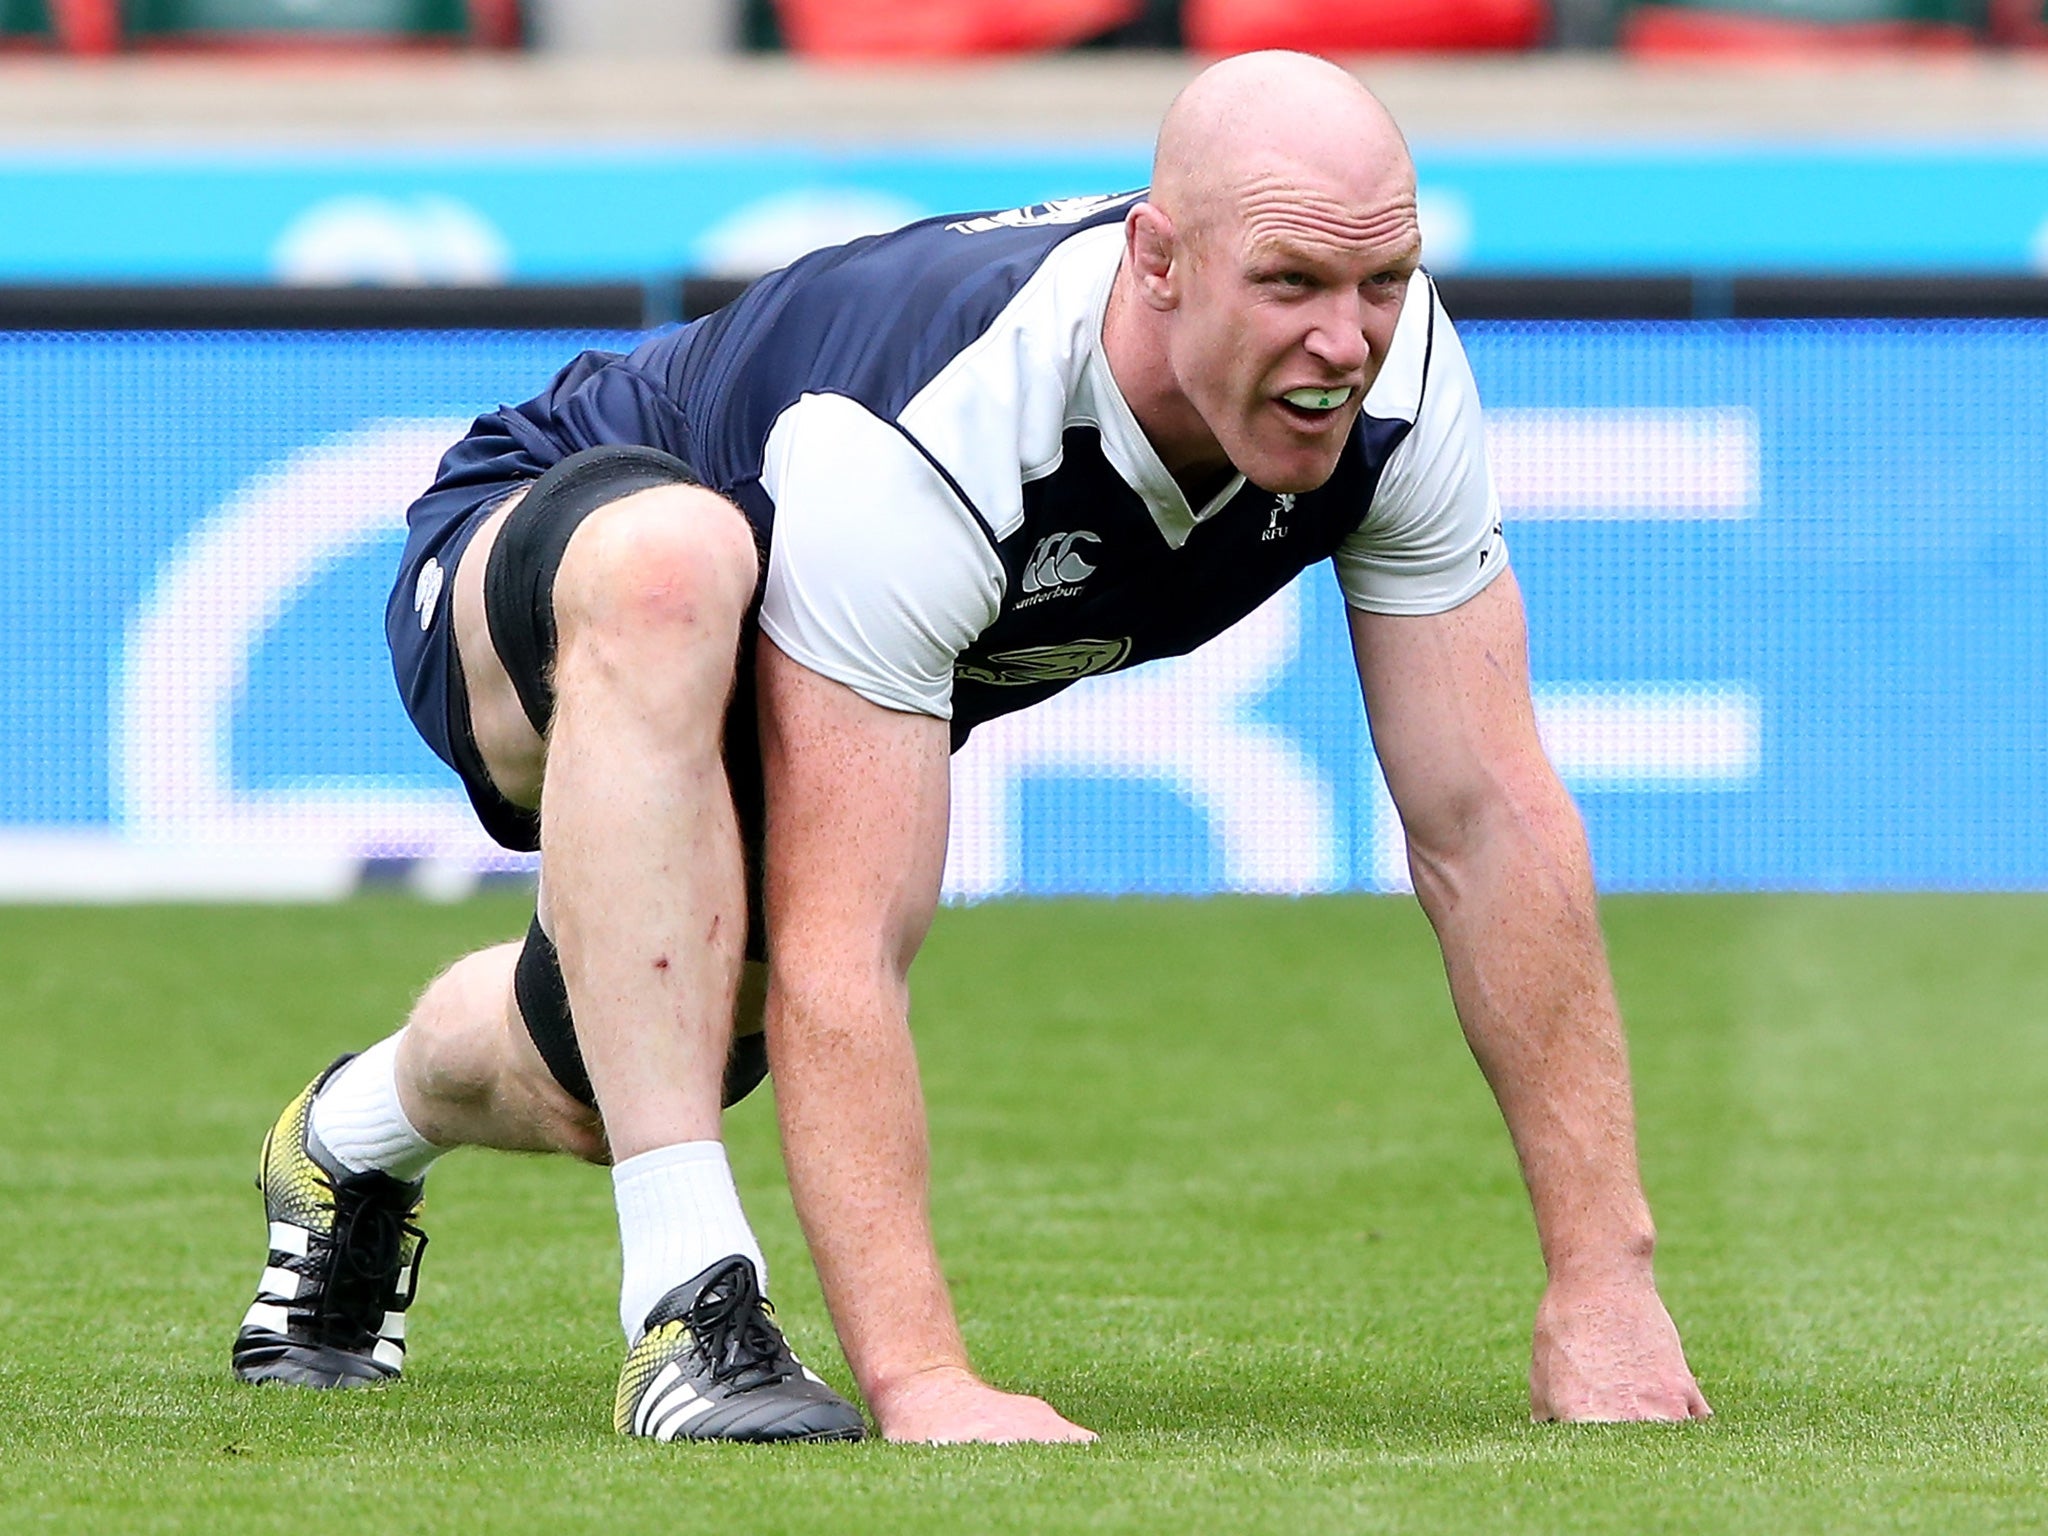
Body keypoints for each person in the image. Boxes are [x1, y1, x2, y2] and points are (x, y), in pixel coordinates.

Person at [229, 49, 1711, 1443]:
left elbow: (1488, 820)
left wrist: (1606, 1281)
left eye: (1384, 281)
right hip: (553, 553)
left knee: (592, 1083)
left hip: (781, 660)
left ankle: (350, 1137)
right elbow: (850, 943)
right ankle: (691, 1315)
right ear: (1158, 263)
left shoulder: (1398, 386)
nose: (1344, 341)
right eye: (1292, 284)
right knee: (676, 567)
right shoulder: (951, 414)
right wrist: (923, 1374)